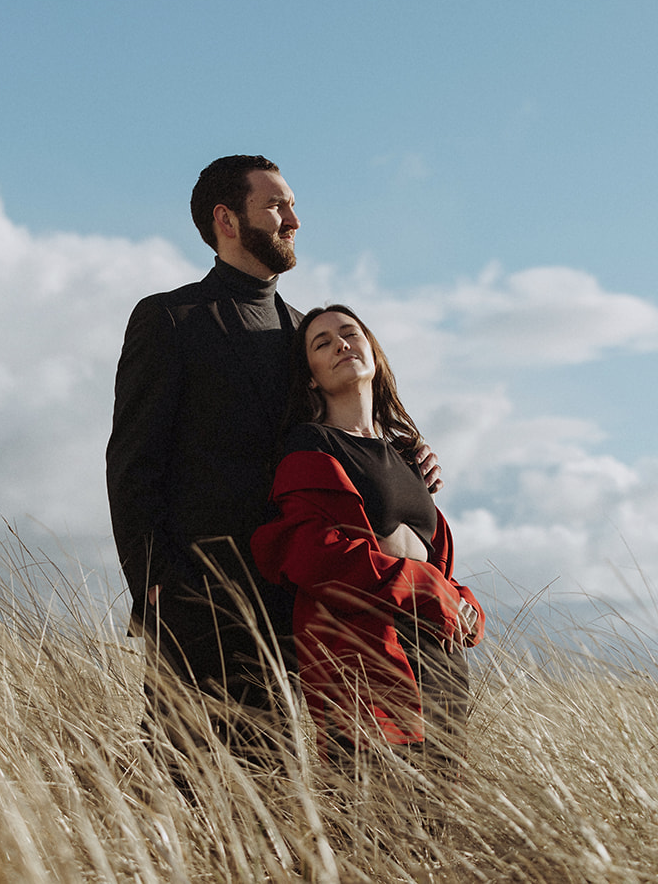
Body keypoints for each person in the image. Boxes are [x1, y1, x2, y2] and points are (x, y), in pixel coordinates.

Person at [107, 157, 441, 771]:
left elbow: (344, 437)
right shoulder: (171, 318)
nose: (294, 218)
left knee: (294, 807)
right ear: (226, 219)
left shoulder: (302, 335)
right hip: (201, 608)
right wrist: (157, 595)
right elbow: (133, 463)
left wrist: (403, 457)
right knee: (196, 799)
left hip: (303, 612)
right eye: (277, 206)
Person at [250, 304, 483, 778]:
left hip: (438, 655)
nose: (341, 344)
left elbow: (436, 561)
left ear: (372, 352)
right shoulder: (311, 445)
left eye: (350, 333)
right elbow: (315, 555)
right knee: (373, 816)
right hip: (365, 655)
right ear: (311, 378)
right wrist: (425, 589)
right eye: (322, 342)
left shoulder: (406, 455)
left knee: (439, 815)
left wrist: (461, 603)